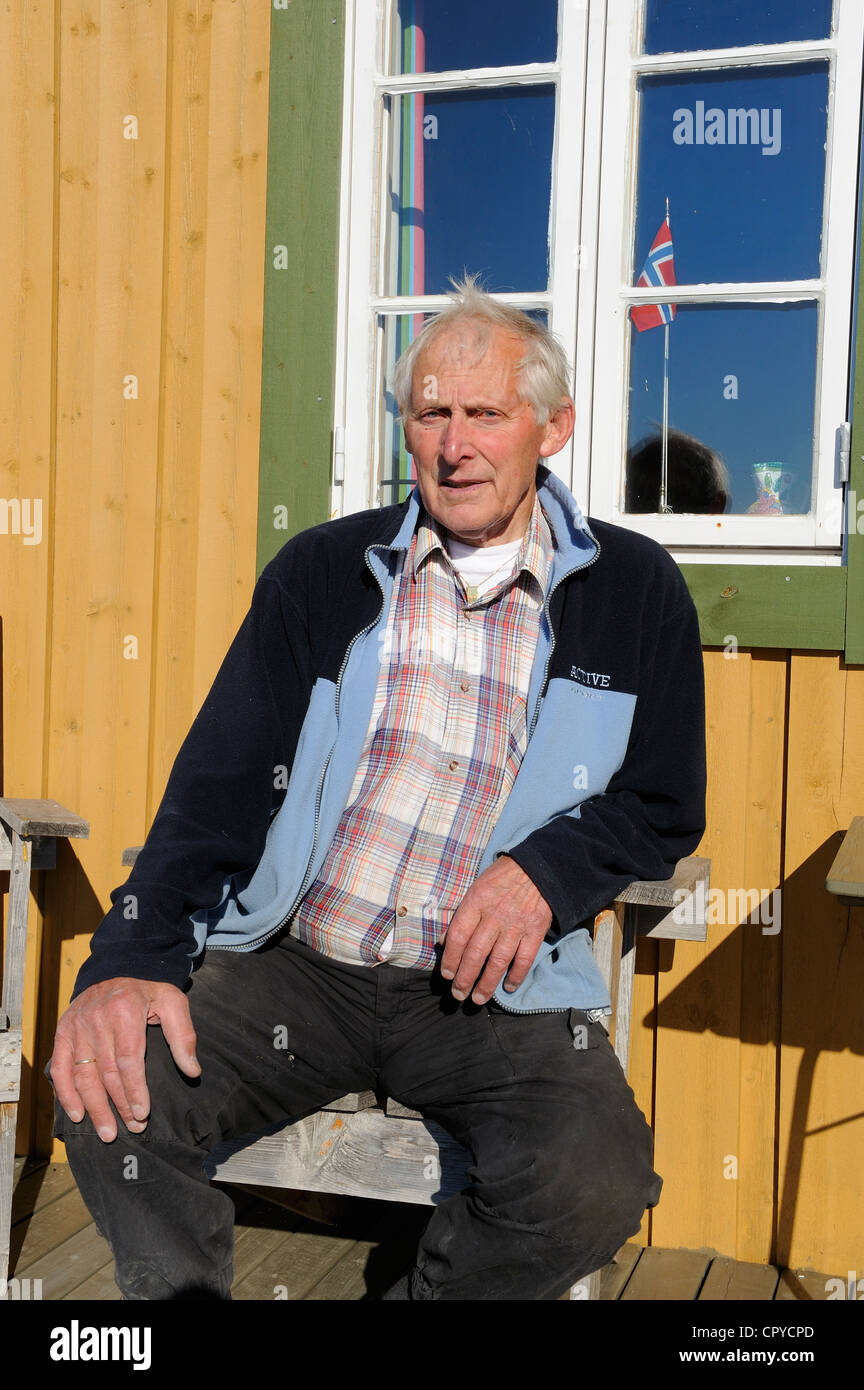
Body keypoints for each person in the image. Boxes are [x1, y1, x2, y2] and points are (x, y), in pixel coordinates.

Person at [47, 277, 706, 1301]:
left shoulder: (634, 590)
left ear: (554, 426)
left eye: (485, 413)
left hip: (490, 995)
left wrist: (544, 874)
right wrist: (131, 953)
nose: (456, 445)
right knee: (106, 1089)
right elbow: (219, 783)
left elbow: (664, 801)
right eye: (431, 414)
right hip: (298, 967)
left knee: (594, 1178)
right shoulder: (323, 572)